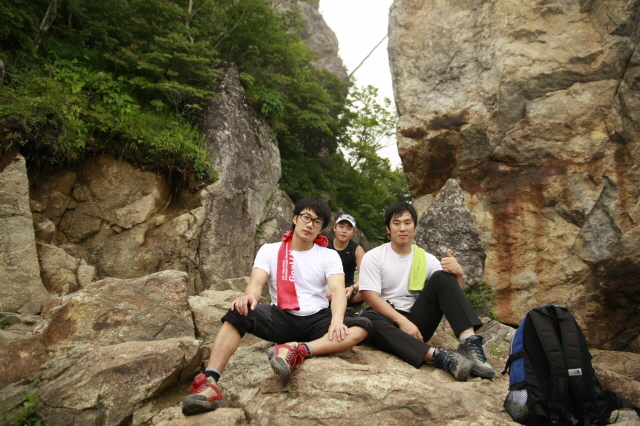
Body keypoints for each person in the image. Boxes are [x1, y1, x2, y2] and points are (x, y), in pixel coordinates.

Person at [182, 197, 373, 415]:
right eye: (306, 217)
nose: (310, 225)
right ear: (295, 218)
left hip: (318, 319)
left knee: (363, 326)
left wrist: (337, 321)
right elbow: (256, 284)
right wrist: (249, 297)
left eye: (317, 222)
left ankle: (297, 350)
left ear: (321, 229)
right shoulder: (270, 250)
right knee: (239, 311)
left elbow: (338, 291)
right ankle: (210, 383)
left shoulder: (328, 255)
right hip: (281, 317)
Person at [358, 201, 494, 382]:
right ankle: (439, 357)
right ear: (388, 228)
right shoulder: (373, 257)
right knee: (368, 318)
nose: (402, 228)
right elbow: (370, 298)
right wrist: (402, 322)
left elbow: (451, 295)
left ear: (415, 227)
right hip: (387, 320)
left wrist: (458, 274)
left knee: (443, 276)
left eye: (407, 222)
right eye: (396, 223)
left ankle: (469, 343)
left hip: (417, 324)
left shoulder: (426, 259)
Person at [327, 214, 366, 307]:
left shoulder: (357, 249)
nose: (344, 231)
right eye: (341, 227)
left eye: (349, 229)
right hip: (327, 289)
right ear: (334, 228)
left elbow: (366, 276)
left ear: (353, 232)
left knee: (370, 290)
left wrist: (353, 288)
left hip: (348, 291)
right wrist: (325, 287)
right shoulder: (325, 246)